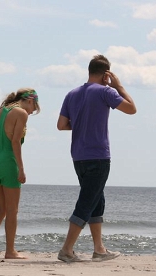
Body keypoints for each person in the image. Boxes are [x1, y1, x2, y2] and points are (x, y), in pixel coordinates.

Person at [56, 55, 136, 263]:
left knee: (96, 200)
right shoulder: (106, 91)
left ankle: (99, 249)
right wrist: (119, 86)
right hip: (98, 155)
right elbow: (131, 109)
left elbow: (62, 125)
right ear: (106, 75)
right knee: (86, 202)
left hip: (78, 156)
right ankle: (67, 249)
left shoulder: (71, 94)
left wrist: (83, 123)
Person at [0, 88, 40, 259]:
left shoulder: (2, 110)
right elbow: (15, 142)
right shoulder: (21, 113)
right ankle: (10, 251)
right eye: (33, 108)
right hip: (7, 162)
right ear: (30, 100)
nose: (31, 111)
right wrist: (21, 168)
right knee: (12, 210)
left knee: (2, 208)